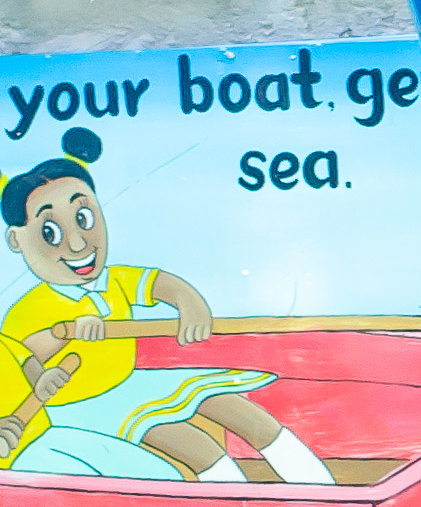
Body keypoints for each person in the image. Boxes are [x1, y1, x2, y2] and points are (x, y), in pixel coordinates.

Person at [0, 134, 333, 486]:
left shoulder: (114, 280)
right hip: (82, 408)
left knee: (241, 411)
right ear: (16, 240)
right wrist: (60, 337)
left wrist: (189, 302)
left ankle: (326, 494)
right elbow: (20, 354)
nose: (79, 244)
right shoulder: (29, 308)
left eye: (84, 218)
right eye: (51, 232)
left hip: (131, 384)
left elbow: (161, 284)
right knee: (202, 450)